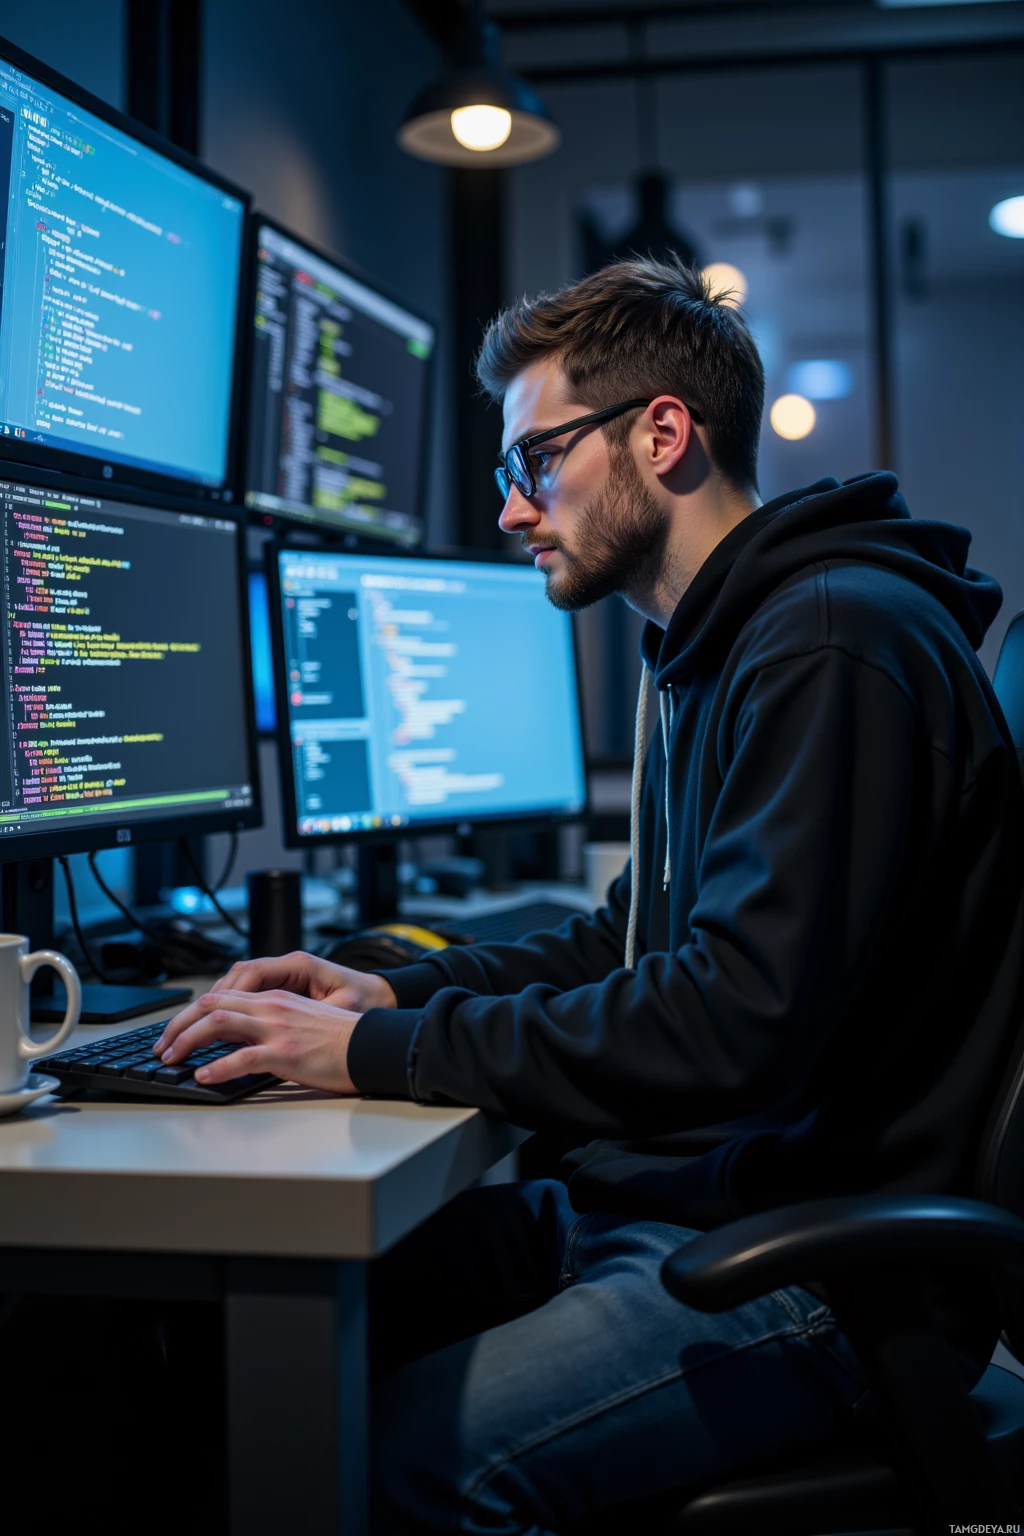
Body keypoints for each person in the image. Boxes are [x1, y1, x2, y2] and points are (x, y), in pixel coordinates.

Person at [157, 257, 1024, 1532]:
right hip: (683, 1202)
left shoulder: (832, 641)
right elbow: (632, 944)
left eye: (534, 461)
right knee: (217, 1329)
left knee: (401, 1464)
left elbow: (733, 1020)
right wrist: (388, 990)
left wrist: (380, 1054)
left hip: (824, 1273)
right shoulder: (711, 646)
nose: (512, 509)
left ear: (660, 433)